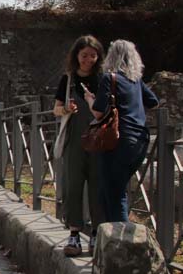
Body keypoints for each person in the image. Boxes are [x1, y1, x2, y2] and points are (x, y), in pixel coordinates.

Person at [93, 40, 160, 226]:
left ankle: (121, 237)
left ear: (111, 57)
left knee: (114, 192)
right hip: (140, 141)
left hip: (118, 141)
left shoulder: (109, 78)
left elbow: (98, 112)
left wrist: (91, 99)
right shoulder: (136, 81)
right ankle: (108, 234)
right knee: (113, 189)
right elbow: (154, 102)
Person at [53, 35, 105, 257]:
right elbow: (55, 109)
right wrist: (66, 109)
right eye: (84, 55)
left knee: (97, 187)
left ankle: (96, 233)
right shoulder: (68, 80)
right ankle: (74, 234)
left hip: (99, 141)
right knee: (73, 187)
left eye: (93, 55)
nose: (88, 60)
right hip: (74, 140)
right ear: (76, 55)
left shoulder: (103, 79)